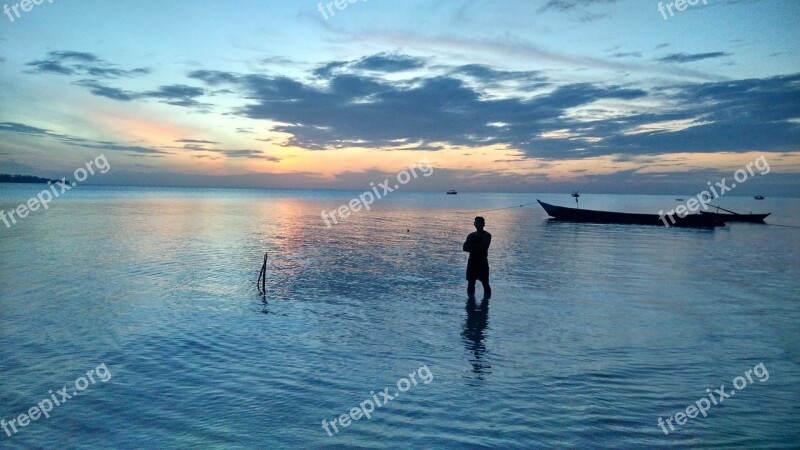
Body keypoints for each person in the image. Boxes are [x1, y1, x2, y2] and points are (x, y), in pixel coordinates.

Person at [463, 216, 491, 299]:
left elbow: (483, 247)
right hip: (472, 263)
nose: (479, 224)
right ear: (474, 224)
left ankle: (486, 303)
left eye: (480, 222)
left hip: (482, 263)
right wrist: (476, 246)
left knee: (485, 284)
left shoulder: (487, 235)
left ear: (484, 224)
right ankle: (470, 301)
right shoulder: (471, 235)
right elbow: (465, 247)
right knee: (471, 284)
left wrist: (471, 246)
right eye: (477, 222)